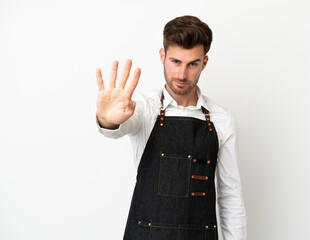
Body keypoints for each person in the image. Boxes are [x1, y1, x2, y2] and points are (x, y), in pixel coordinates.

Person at [96, 15, 247, 240]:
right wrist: (106, 120)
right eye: (175, 61)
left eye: (192, 64)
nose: (181, 75)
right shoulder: (143, 108)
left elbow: (230, 195)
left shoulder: (222, 120)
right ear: (162, 56)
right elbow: (117, 126)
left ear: (204, 62)